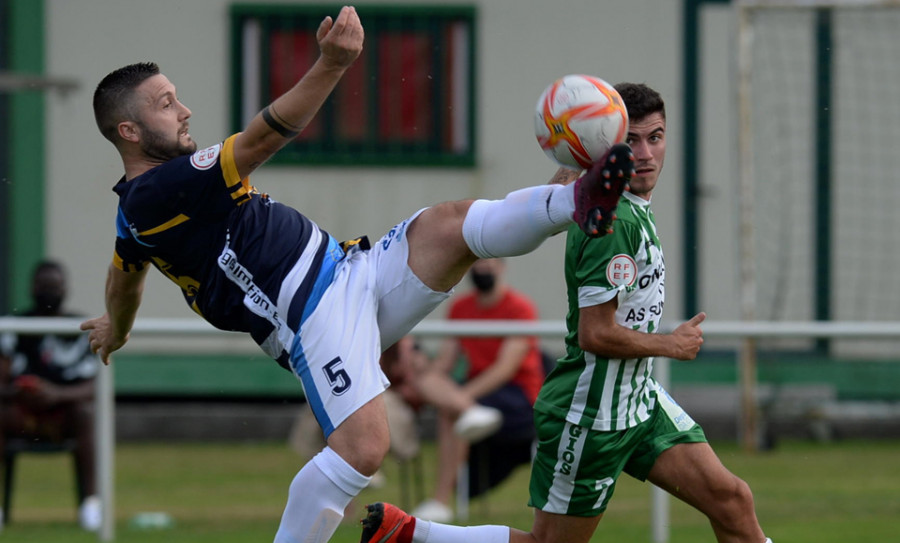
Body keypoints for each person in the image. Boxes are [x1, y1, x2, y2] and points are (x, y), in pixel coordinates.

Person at [79, 7, 632, 543]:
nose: (185, 111)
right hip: (310, 316)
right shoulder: (157, 190)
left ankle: (573, 200)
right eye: (166, 103)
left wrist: (116, 326)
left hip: (351, 272)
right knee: (364, 447)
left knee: (449, 224)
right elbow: (263, 139)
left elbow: (123, 277)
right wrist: (334, 64)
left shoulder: (137, 213)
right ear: (128, 130)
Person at [360, 84, 774, 543]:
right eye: (630, 141)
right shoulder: (612, 223)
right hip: (591, 416)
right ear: (607, 147)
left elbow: (558, 196)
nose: (645, 153)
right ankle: (413, 534)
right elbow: (596, 334)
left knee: (733, 501)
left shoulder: (624, 206)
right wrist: (669, 345)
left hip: (639, 401)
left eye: (655, 137)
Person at [411, 258, 544, 522]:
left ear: (502, 266)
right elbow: (446, 361)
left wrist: (460, 398)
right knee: (427, 380)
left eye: (490, 263)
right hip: (475, 395)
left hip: (518, 396)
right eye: (478, 263)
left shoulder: (520, 307)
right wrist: (423, 374)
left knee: (451, 410)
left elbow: (505, 368)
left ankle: (440, 501)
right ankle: (467, 412)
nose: (484, 269)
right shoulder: (460, 307)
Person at [0, 260, 102, 531]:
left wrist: (55, 394)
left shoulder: (79, 328)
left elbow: (93, 386)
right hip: (20, 414)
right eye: (43, 286)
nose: (49, 292)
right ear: (32, 288)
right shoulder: (13, 327)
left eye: (54, 286)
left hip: (64, 413)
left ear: (65, 289)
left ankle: (91, 504)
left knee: (86, 413)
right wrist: (20, 391)